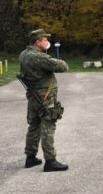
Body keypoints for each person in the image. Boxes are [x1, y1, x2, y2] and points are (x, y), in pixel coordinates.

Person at [19, 29, 69, 172]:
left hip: (33, 96)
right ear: (37, 42)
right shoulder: (39, 57)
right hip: (45, 98)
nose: (47, 42)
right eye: (44, 40)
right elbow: (63, 66)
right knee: (48, 126)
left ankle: (30, 157)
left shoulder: (23, 54)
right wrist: (57, 60)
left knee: (34, 126)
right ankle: (50, 161)